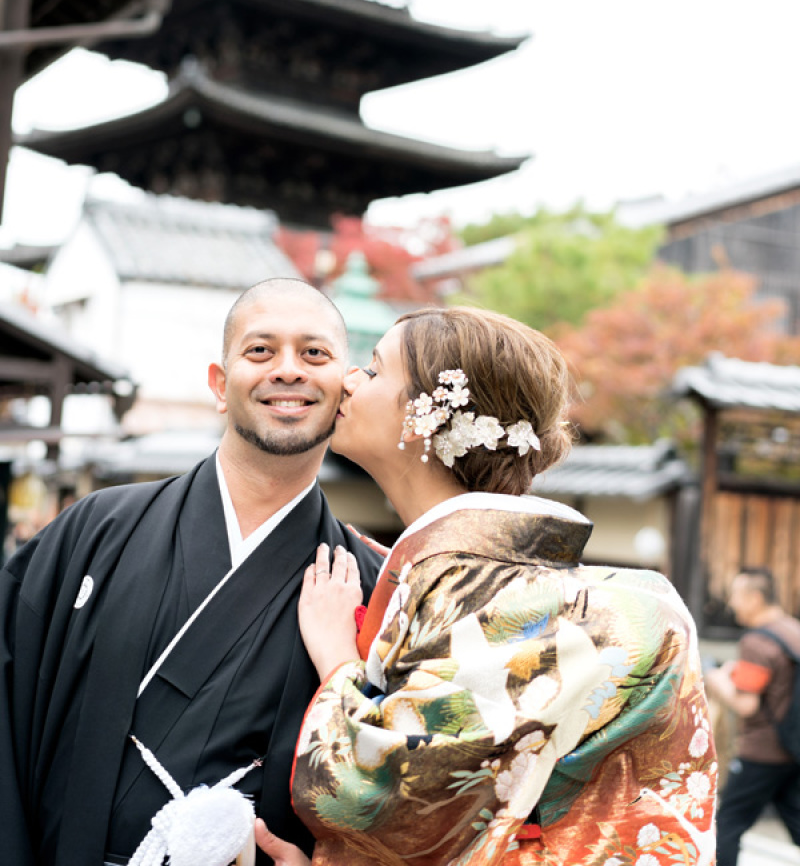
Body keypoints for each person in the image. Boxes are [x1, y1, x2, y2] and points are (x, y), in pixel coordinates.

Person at [255, 306, 717, 866]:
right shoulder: (444, 574)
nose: (348, 379)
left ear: (424, 417)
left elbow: (382, 796)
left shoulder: (564, 612)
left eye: (374, 370)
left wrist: (334, 660)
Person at [0, 277, 382, 866]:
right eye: (260, 350)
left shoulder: (366, 581)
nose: (288, 370)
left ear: (344, 388)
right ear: (220, 385)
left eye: (315, 353)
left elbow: (397, 793)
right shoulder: (97, 528)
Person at [706, 567, 800, 865]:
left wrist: (716, 680)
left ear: (755, 598)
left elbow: (747, 704)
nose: (732, 603)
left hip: (761, 751)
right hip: (793, 747)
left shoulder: (757, 642)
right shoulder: (793, 630)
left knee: (728, 823)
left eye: (736, 594)